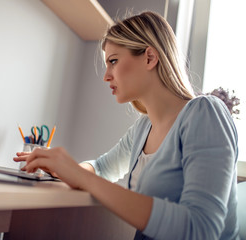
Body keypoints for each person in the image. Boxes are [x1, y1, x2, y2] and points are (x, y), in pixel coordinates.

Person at [14, 11, 239, 240]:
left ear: (150, 58)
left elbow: (201, 229)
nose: (106, 76)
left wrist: (84, 179)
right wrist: (66, 170)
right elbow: (102, 168)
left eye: (113, 61)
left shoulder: (205, 113)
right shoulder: (142, 129)